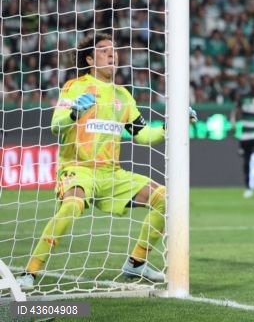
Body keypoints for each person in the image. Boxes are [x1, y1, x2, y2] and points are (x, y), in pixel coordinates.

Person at [17, 32, 197, 289]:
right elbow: (56, 126)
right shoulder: (75, 86)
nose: (112, 53)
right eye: (103, 50)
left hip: (112, 175)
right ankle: (30, 272)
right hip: (78, 169)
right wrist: (73, 114)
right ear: (90, 59)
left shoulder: (123, 95)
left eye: (114, 50)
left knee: (167, 199)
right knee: (71, 206)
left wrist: (173, 125)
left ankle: (136, 263)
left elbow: (143, 135)